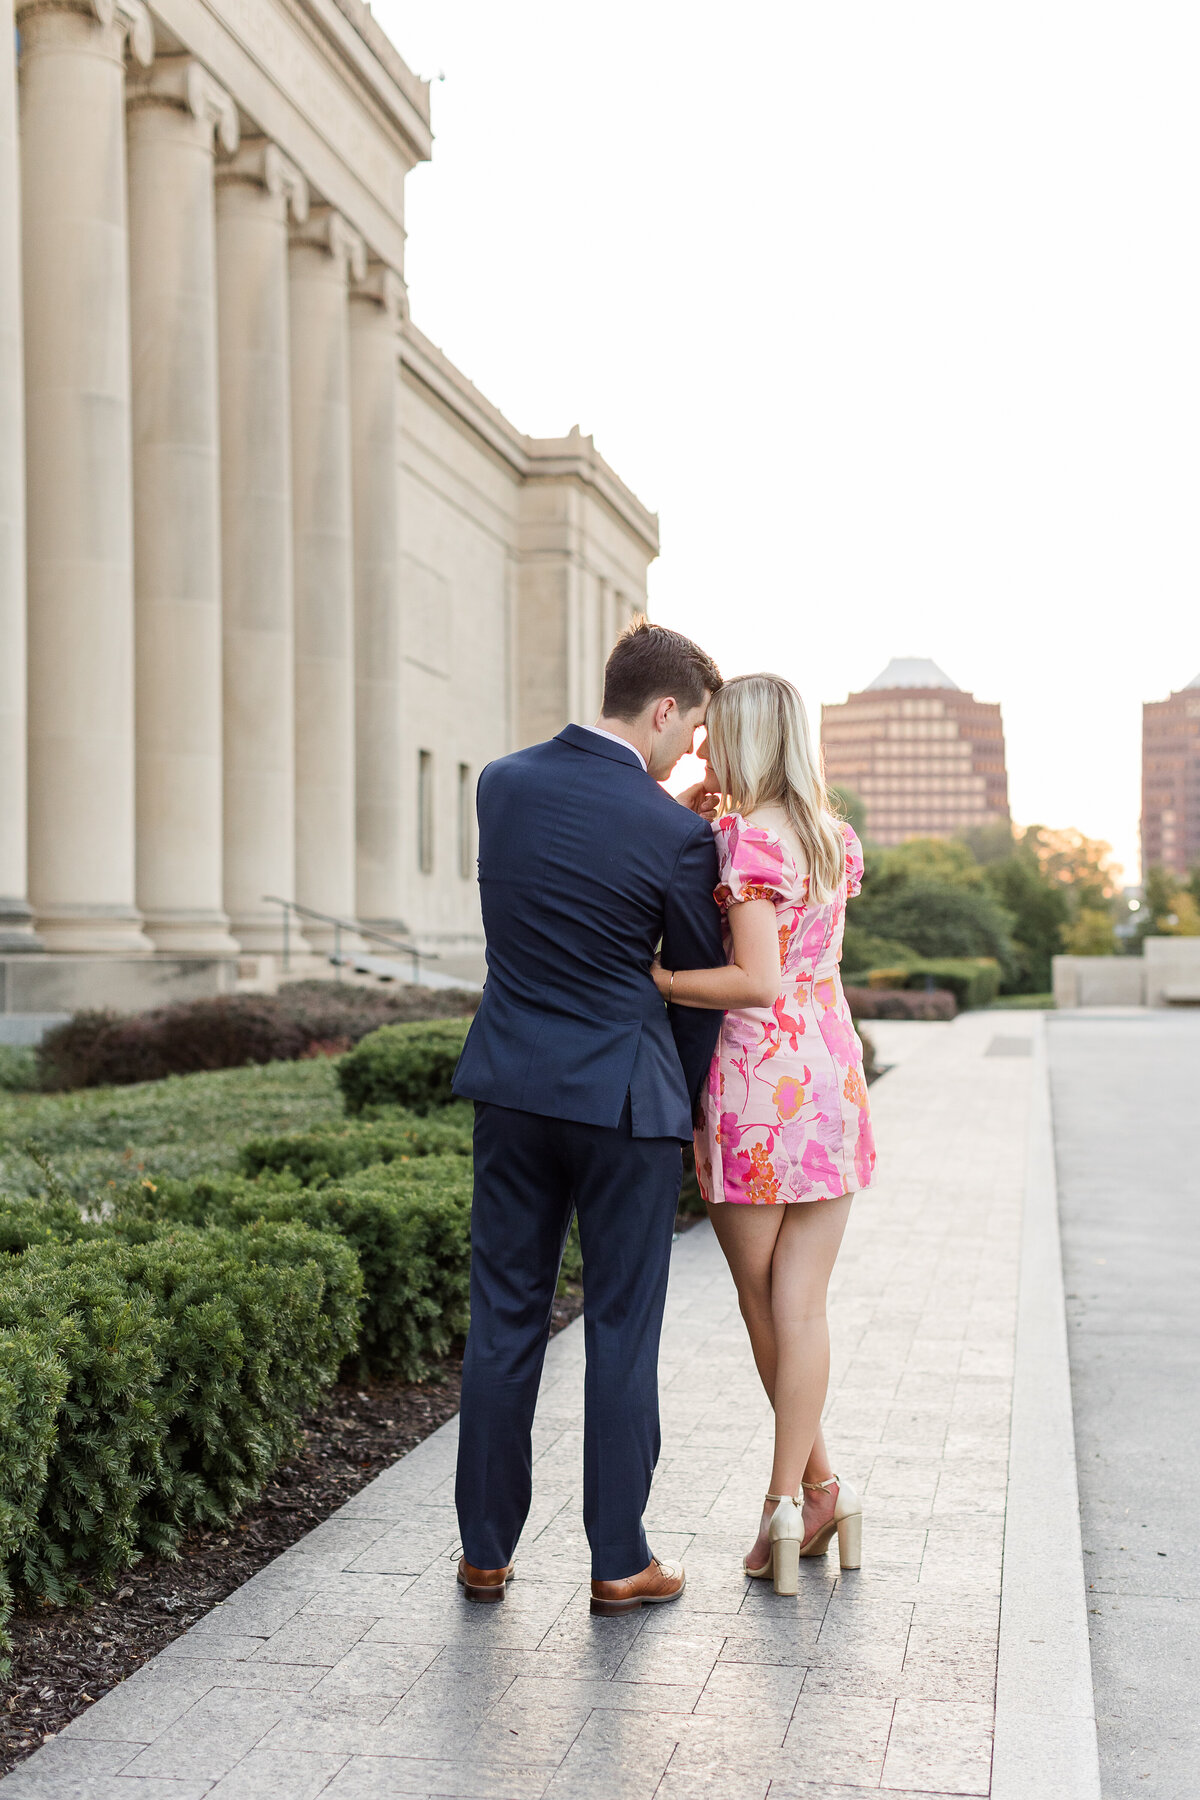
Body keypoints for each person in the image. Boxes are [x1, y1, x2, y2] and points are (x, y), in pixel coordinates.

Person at [451, 619, 725, 1615]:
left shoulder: (502, 784)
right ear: (663, 710)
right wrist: (679, 1104)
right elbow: (695, 988)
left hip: (512, 1088)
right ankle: (619, 1561)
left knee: (504, 1316)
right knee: (620, 1328)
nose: (691, 752)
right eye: (693, 731)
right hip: (625, 1102)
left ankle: (485, 1554)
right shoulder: (677, 833)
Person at [651, 671, 874, 1595]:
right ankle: (821, 1493)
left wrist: (663, 982)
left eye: (715, 739)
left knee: (762, 1303)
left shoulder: (746, 841)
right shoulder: (831, 837)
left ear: (743, 738)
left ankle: (786, 1502)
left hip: (757, 1089)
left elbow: (755, 981)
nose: (703, 750)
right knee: (803, 1307)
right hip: (833, 1076)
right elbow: (810, 971)